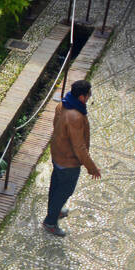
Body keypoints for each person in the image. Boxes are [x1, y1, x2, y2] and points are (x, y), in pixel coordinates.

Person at [43, 79, 100, 237]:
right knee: (65, 190)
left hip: (58, 154)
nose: (90, 96)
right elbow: (79, 147)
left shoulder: (62, 104)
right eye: (89, 94)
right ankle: (50, 221)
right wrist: (92, 168)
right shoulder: (75, 117)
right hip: (68, 161)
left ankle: (56, 209)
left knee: (56, 185)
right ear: (82, 97)